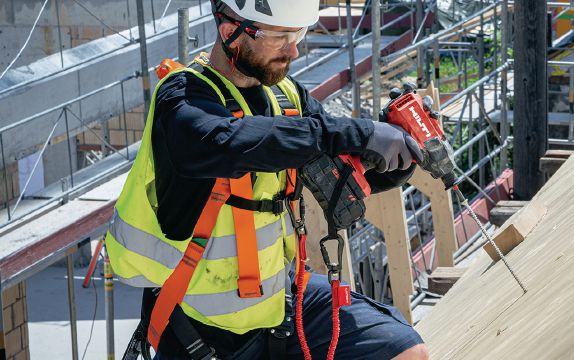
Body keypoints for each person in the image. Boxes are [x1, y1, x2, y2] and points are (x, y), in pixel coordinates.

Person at [105, 0, 430, 358]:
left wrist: (392, 156)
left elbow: (339, 172)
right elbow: (229, 143)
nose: (294, 49)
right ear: (231, 33)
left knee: (405, 351)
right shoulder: (183, 99)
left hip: (280, 302)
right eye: (279, 38)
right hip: (200, 330)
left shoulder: (285, 96)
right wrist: (355, 133)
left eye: (298, 34)